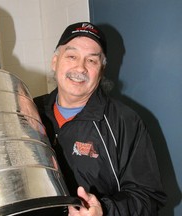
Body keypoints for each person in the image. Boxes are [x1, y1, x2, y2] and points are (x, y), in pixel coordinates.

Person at [33, 22, 167, 215]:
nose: (80, 68)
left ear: (101, 71)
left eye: (92, 61)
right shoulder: (30, 111)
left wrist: (104, 210)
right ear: (55, 62)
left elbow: (149, 197)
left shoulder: (125, 122)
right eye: (72, 56)